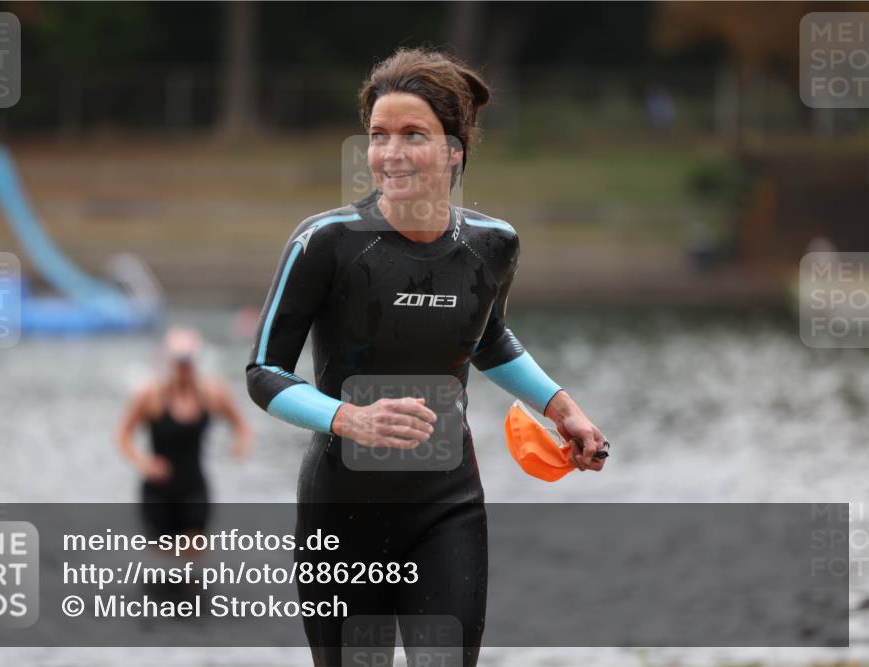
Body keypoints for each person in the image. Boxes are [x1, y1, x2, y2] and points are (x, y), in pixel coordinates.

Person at [245, 48, 607, 667]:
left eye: (414, 135)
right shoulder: (326, 243)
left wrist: (561, 406)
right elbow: (264, 373)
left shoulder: (492, 245)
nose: (391, 153)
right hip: (344, 508)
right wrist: (347, 418)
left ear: (454, 150)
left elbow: (487, 337)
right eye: (378, 136)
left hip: (447, 507)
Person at [119, 326, 253, 541]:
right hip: (157, 489)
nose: (183, 367)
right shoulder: (150, 396)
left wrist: (240, 445)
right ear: (168, 361)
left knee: (193, 558)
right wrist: (144, 463)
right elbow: (123, 436)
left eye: (187, 361)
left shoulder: (211, 394)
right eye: (178, 362)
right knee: (161, 560)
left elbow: (241, 425)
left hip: (194, 487)